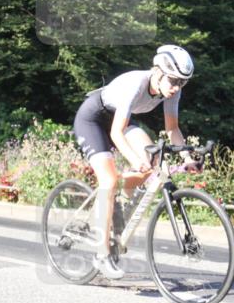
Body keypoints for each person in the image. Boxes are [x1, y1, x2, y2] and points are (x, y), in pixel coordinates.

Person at [72, 45, 200, 279]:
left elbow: (172, 129)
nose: (176, 87)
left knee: (152, 163)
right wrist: (134, 160)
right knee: (109, 181)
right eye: (173, 80)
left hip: (121, 120)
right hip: (93, 119)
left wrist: (188, 158)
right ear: (158, 72)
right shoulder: (136, 84)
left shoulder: (173, 91)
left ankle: (114, 209)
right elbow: (116, 133)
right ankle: (102, 255)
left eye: (182, 83)